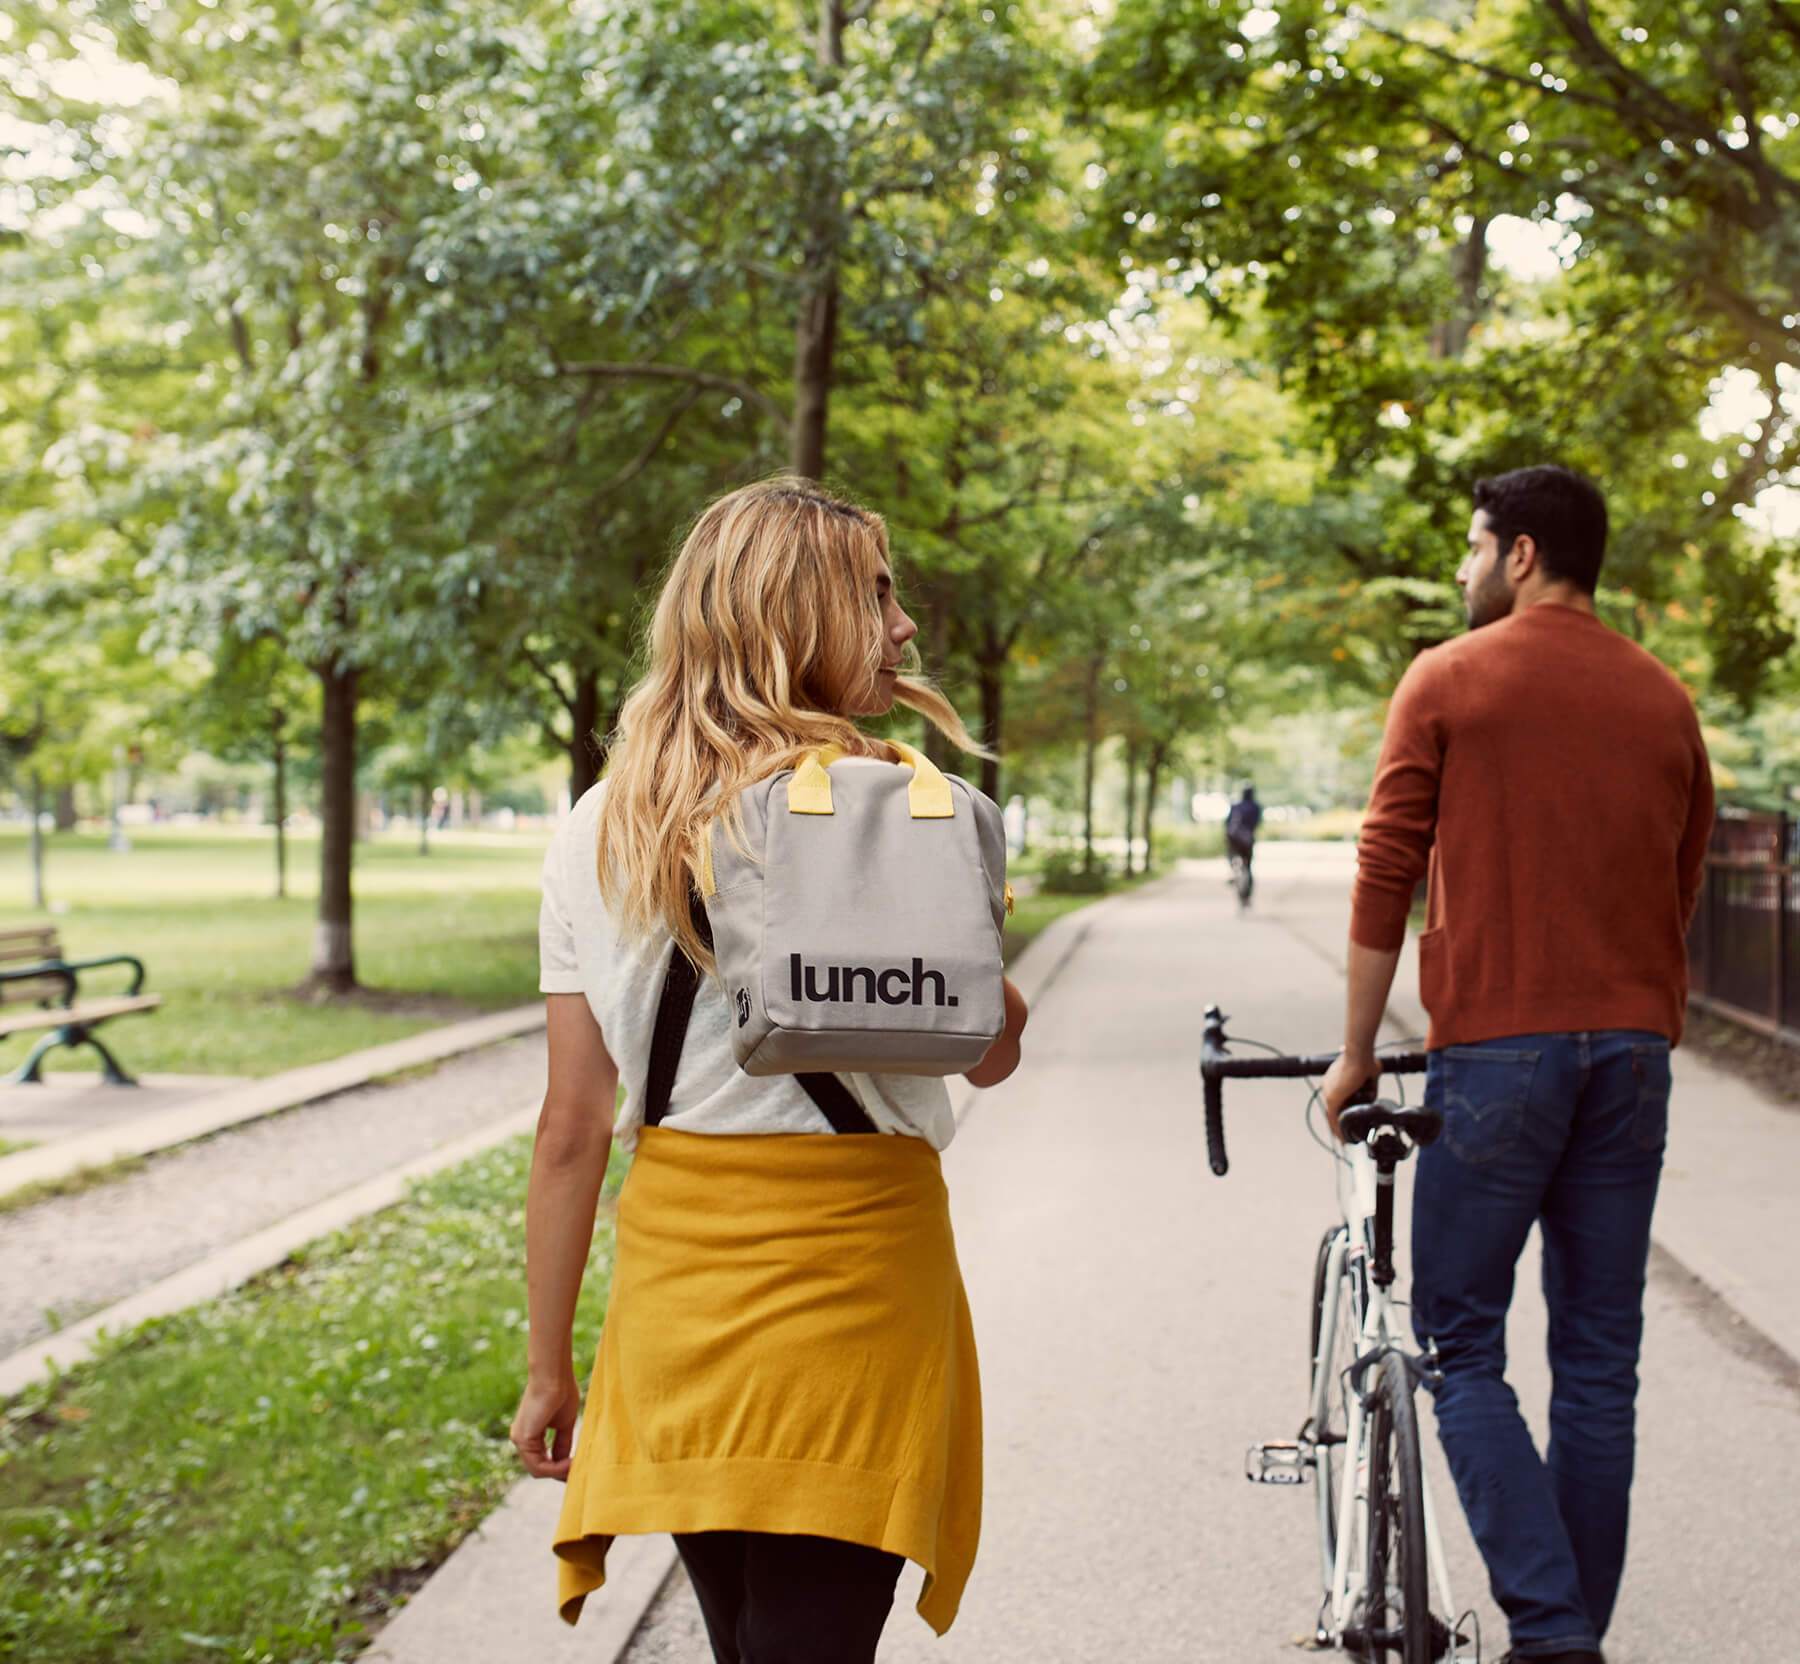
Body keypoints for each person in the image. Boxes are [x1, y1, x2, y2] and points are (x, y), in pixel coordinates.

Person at [512, 476, 1030, 1664]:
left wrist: (550, 1365)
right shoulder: (913, 812)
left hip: (677, 1289)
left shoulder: (598, 825)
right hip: (857, 1279)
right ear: (800, 616)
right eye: (879, 595)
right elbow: (993, 1055)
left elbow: (573, 1123)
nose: (906, 627)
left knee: (748, 1634)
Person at [1321, 464, 1713, 1664]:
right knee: (1600, 1356)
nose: (1463, 568)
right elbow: (1679, 878)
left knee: (1458, 1337)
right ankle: (1573, 1623)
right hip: (1633, 1055)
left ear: (1524, 553)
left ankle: (1551, 1630)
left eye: (1475, 545)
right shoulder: (1663, 699)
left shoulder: (1449, 676)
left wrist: (1351, 1057)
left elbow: (1387, 867)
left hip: (1497, 1055)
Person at [1225, 784, 1262, 894]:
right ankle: (1248, 891)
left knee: (1231, 854)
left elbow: (1227, 823)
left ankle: (1232, 869)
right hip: (1247, 839)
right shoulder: (1255, 807)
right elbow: (1257, 823)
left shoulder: (1236, 806)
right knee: (1248, 864)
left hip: (1233, 838)